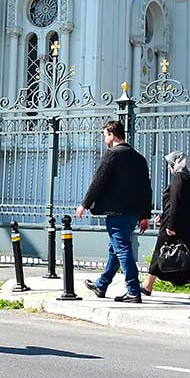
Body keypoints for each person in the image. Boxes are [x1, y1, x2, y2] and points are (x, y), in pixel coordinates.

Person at [75, 120, 152, 303]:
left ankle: (133, 291)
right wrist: (144, 215)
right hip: (133, 213)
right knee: (115, 250)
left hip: (116, 212)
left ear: (112, 134)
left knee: (123, 250)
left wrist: (84, 204)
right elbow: (146, 188)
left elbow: (98, 181)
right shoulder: (139, 158)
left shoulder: (112, 155)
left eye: (105, 135)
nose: (104, 139)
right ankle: (101, 285)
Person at [141, 150, 190, 296]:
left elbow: (175, 201)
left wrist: (170, 224)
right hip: (187, 223)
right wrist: (163, 215)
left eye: (170, 164)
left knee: (160, 252)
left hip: (174, 223)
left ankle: (148, 285)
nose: (169, 168)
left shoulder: (179, 177)